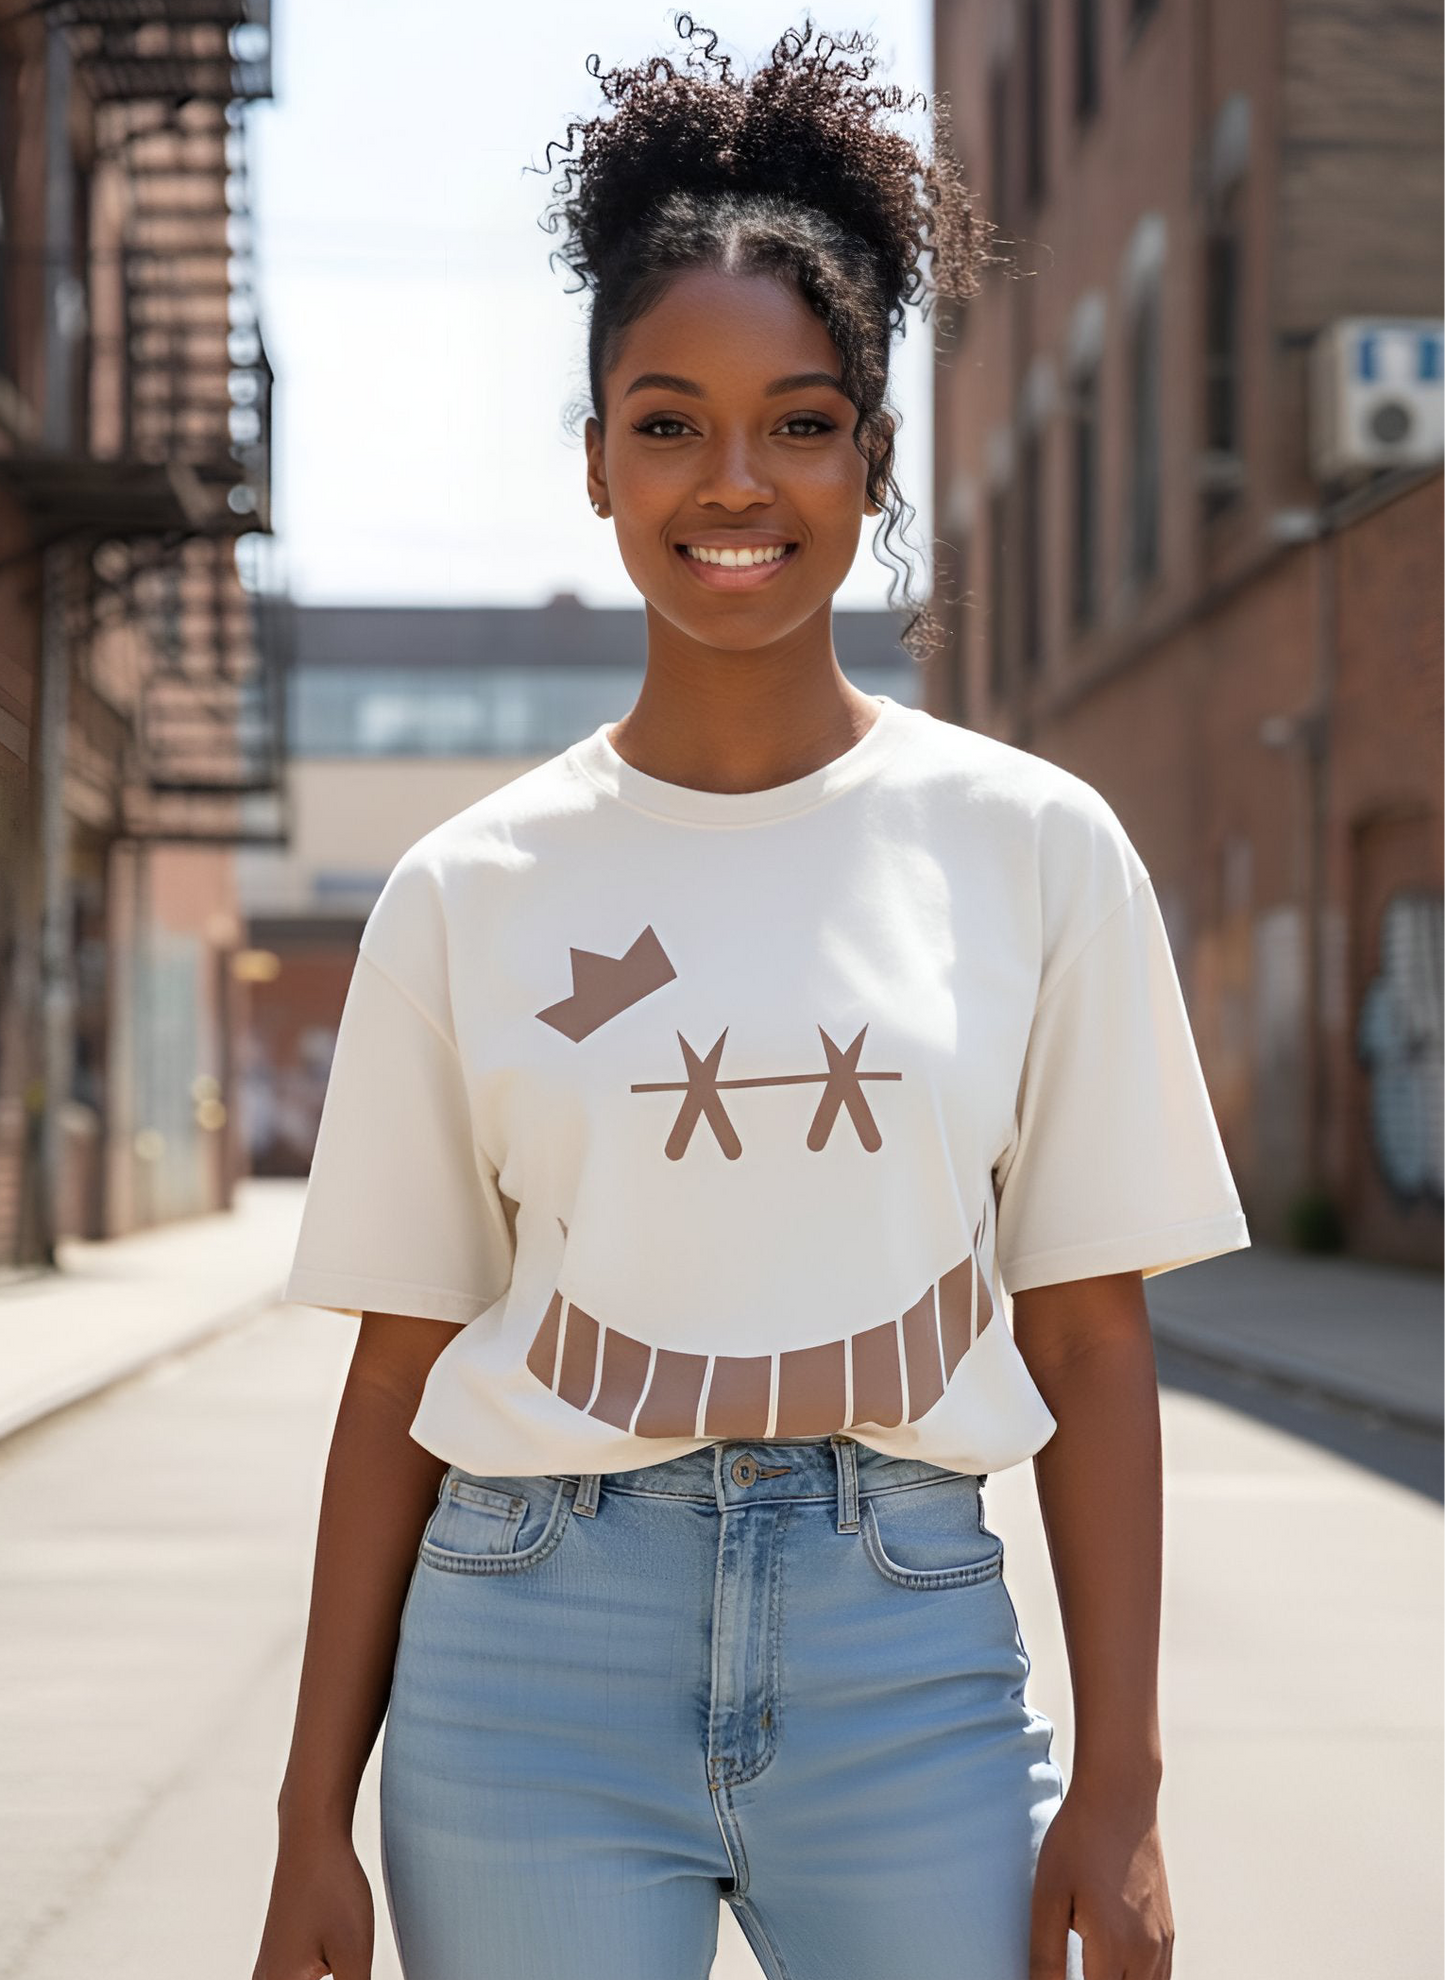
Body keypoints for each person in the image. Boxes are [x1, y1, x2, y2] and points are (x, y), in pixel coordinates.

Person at [253, 18, 1249, 1980]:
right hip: (524, 1652)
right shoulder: (470, 894)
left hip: (906, 1645)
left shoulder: (1030, 846)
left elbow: (1090, 1343)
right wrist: (306, 1820)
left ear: (872, 461)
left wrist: (1119, 1784)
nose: (734, 480)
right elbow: (396, 1377)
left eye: (798, 421)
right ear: (598, 463)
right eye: (666, 419)